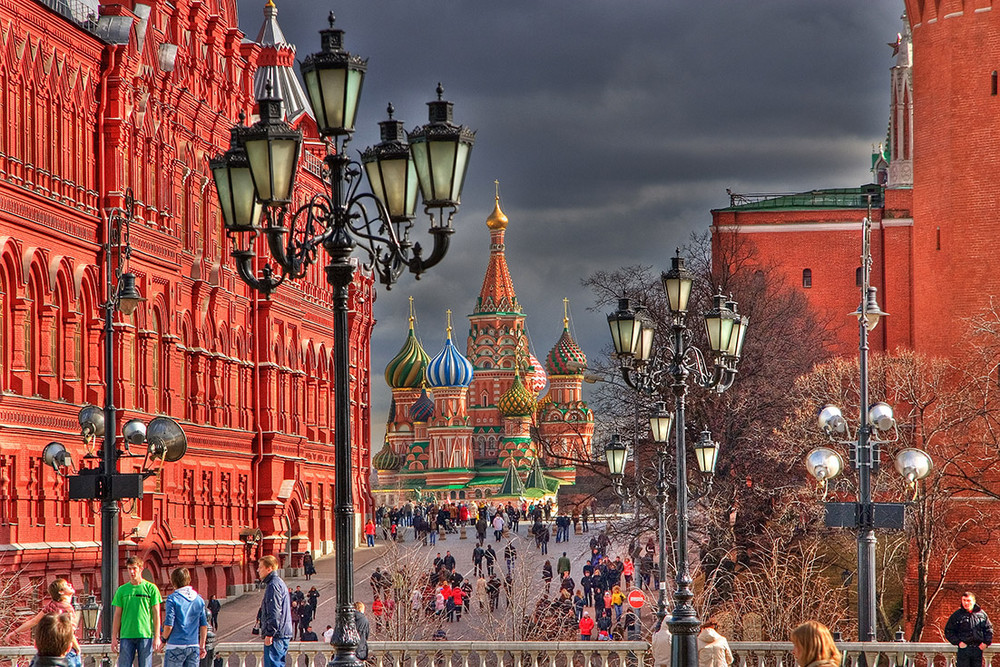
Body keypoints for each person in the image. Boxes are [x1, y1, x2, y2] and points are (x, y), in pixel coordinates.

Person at [7, 578, 81, 667]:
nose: (70, 584)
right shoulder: (67, 609)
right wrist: (77, 647)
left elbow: (33, 621)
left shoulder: (51, 605)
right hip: (64, 651)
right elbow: (68, 632)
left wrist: (14, 632)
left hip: (47, 651)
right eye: (66, 585)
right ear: (61, 592)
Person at [112, 556, 162, 667]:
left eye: (134, 568)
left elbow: (156, 614)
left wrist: (157, 636)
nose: (131, 572)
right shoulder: (122, 590)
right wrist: (114, 637)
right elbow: (117, 615)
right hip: (126, 635)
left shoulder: (151, 588)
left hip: (145, 635)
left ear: (141, 569)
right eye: (129, 569)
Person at [161, 567, 208, 667]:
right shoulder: (199, 599)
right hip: (193, 645)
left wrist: (163, 639)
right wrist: (202, 645)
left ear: (173, 581)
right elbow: (203, 626)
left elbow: (169, 624)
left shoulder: (172, 599)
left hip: (175, 645)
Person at [256, 555, 292, 667]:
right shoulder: (277, 582)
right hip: (281, 633)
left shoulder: (273, 585)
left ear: (269, 568)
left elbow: (275, 612)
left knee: (273, 664)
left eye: (260, 567)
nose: (258, 570)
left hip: (276, 635)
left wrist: (270, 633)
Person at [946, 592, 994, 667]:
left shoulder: (981, 614)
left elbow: (989, 629)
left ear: (974, 601)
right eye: (964, 600)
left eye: (968, 600)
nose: (965, 603)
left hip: (977, 649)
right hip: (964, 650)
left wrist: (986, 643)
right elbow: (949, 631)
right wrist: (958, 642)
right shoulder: (957, 615)